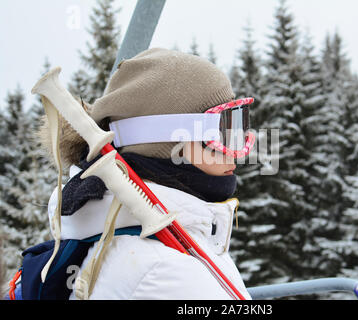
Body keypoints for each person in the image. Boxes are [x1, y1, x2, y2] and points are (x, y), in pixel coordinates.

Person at [39, 48, 255, 300]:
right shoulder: (167, 272)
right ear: (167, 142)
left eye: (238, 125)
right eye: (223, 131)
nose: (237, 152)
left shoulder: (125, 237)